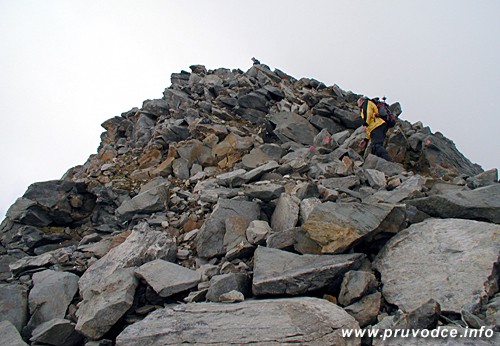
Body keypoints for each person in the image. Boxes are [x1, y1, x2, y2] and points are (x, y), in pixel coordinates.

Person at [357, 97, 392, 161]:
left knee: (376, 146)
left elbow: (368, 113)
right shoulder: (365, 107)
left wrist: (365, 124)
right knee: (374, 148)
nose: (358, 105)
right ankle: (382, 163)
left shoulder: (366, 103)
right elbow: (370, 125)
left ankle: (388, 161)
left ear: (361, 101)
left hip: (377, 126)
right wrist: (366, 139)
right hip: (376, 127)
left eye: (358, 103)